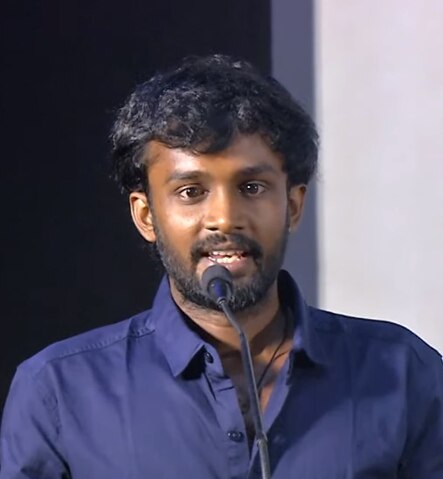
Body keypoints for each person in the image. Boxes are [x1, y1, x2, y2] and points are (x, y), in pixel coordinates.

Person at [1, 54, 442, 479]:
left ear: (292, 206)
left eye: (252, 187)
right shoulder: (58, 391)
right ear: (146, 216)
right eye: (191, 192)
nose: (225, 218)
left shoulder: (405, 372)